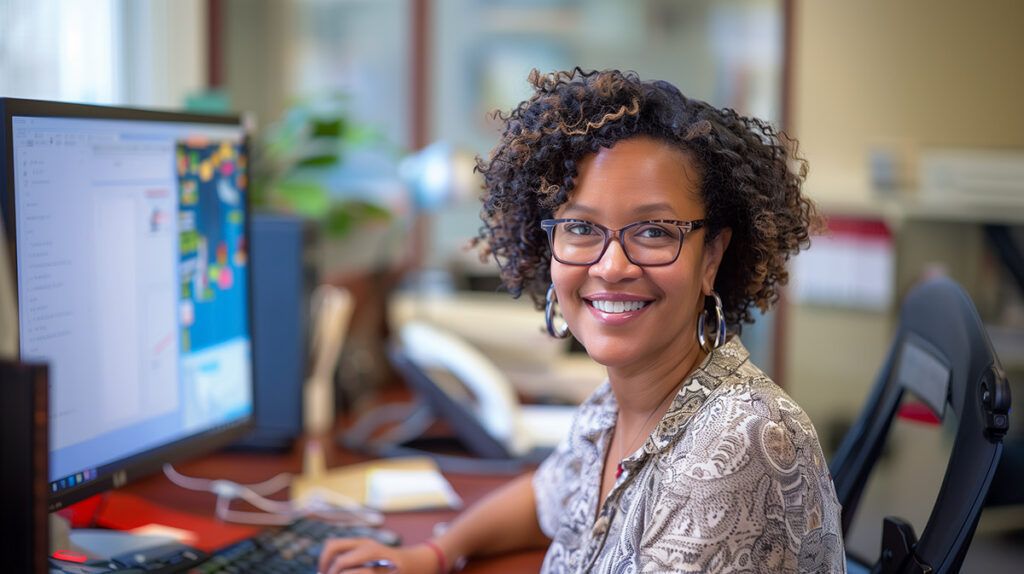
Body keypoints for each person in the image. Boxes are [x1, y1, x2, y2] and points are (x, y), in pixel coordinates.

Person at [319, 68, 845, 573]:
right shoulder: (614, 405)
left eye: (655, 231)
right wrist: (435, 554)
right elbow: (545, 497)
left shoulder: (742, 441)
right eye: (581, 228)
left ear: (711, 258)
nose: (612, 266)